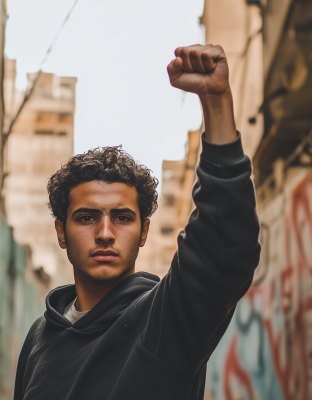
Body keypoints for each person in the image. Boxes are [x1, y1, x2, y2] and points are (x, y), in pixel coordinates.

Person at [13, 44, 261, 400]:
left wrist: (217, 102)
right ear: (61, 232)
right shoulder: (40, 336)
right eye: (86, 218)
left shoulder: (164, 321)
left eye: (122, 218)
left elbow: (224, 247)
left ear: (144, 232)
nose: (104, 233)